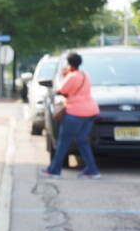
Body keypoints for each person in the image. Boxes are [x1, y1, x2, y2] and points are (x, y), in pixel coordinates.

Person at [41, 51, 101, 179]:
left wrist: (64, 75)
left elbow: (60, 90)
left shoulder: (71, 76)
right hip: (90, 111)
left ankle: (54, 170)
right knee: (82, 140)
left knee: (63, 142)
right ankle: (92, 170)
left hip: (75, 113)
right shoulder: (85, 75)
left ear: (69, 64)